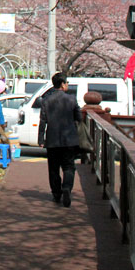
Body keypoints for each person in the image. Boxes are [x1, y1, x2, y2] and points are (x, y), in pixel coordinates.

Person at [37, 72, 81, 207]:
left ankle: (56, 194)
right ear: (62, 84)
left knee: (53, 168)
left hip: (52, 139)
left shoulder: (46, 100)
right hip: (69, 138)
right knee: (69, 166)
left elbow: (43, 121)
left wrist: (41, 139)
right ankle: (67, 187)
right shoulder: (72, 99)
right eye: (67, 82)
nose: (67, 85)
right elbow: (78, 117)